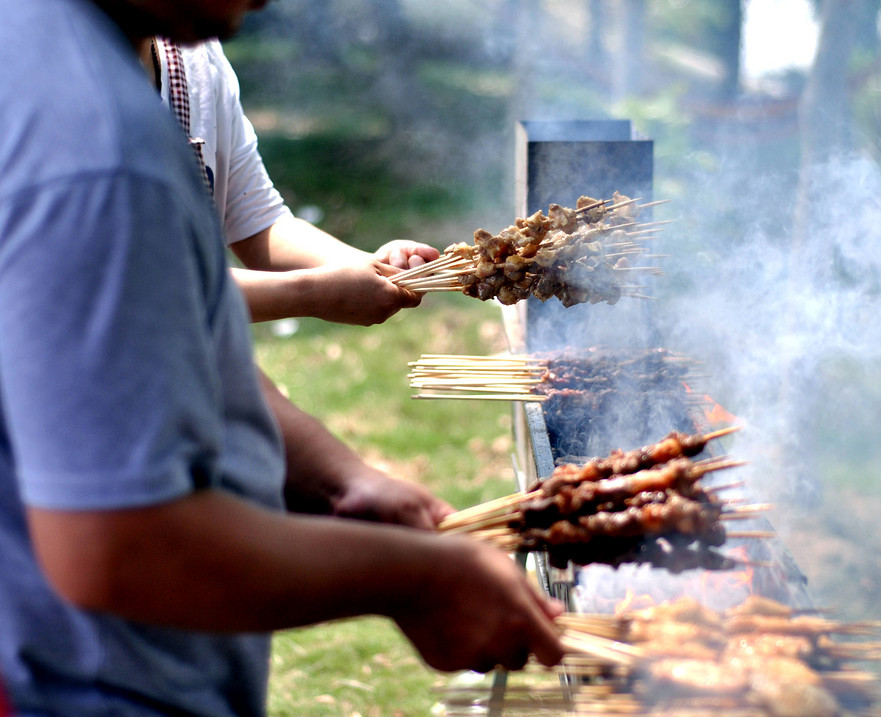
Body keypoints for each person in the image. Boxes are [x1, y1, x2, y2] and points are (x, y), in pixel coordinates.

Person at [0, 3, 564, 717]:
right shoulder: (96, 153)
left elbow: (164, 340)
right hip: (76, 681)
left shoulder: (57, 50)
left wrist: (339, 480)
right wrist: (414, 580)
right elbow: (117, 545)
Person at [139, 34, 441, 327]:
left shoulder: (199, 58)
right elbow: (143, 285)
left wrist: (373, 267)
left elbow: (258, 221)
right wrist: (311, 294)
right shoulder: (96, 88)